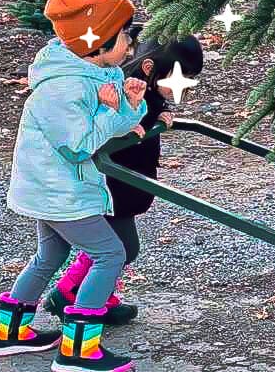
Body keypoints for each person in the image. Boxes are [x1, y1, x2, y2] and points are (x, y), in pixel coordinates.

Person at [0, 0, 148, 372]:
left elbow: (110, 127)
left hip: (60, 188)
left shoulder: (93, 72)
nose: (130, 43)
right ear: (98, 43)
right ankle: (78, 349)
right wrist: (114, 114)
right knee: (109, 254)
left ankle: (10, 332)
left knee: (51, 256)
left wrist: (130, 106)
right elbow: (77, 146)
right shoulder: (63, 87)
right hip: (60, 191)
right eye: (125, 35)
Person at [41, 33, 204, 323]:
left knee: (115, 249)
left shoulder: (148, 94)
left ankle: (88, 295)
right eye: (179, 77)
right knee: (122, 249)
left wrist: (159, 116)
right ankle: (71, 296)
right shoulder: (126, 90)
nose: (182, 88)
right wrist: (142, 121)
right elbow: (111, 123)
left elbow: (147, 112)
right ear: (151, 68)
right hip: (113, 183)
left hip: (128, 183)